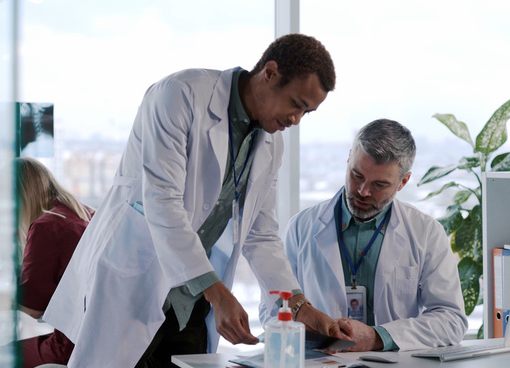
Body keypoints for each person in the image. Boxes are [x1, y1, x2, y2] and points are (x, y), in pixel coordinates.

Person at [43, 33, 343, 368]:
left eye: (307, 112)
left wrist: (299, 305)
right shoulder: (179, 95)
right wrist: (218, 293)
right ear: (270, 73)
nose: (296, 120)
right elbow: (162, 201)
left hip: (193, 303)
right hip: (136, 280)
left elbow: (262, 234)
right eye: (296, 104)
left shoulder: (271, 145)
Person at [259, 119, 467, 352]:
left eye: (379, 184)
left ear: (403, 182)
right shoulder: (301, 228)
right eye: (357, 175)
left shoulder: (426, 233)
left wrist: (378, 337)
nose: (363, 191)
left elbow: (451, 320)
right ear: (348, 158)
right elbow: (270, 309)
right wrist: (305, 325)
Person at [15, 157, 94, 368]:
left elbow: (31, 309)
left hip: (68, 347)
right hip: (96, 339)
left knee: (4, 352)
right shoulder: (85, 214)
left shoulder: (45, 227)